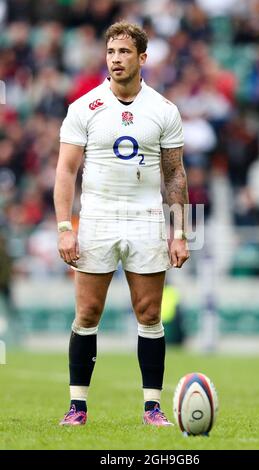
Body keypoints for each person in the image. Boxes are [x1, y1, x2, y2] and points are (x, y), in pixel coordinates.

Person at [54, 21, 189, 427]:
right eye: (111, 52)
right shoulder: (84, 108)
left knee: (149, 314)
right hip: (97, 216)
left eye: (125, 52)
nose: (116, 59)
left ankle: (153, 408)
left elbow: (175, 174)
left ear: (142, 58)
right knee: (88, 311)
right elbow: (65, 171)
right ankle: (77, 406)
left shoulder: (164, 110)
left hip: (146, 217)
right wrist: (65, 226)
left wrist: (180, 232)